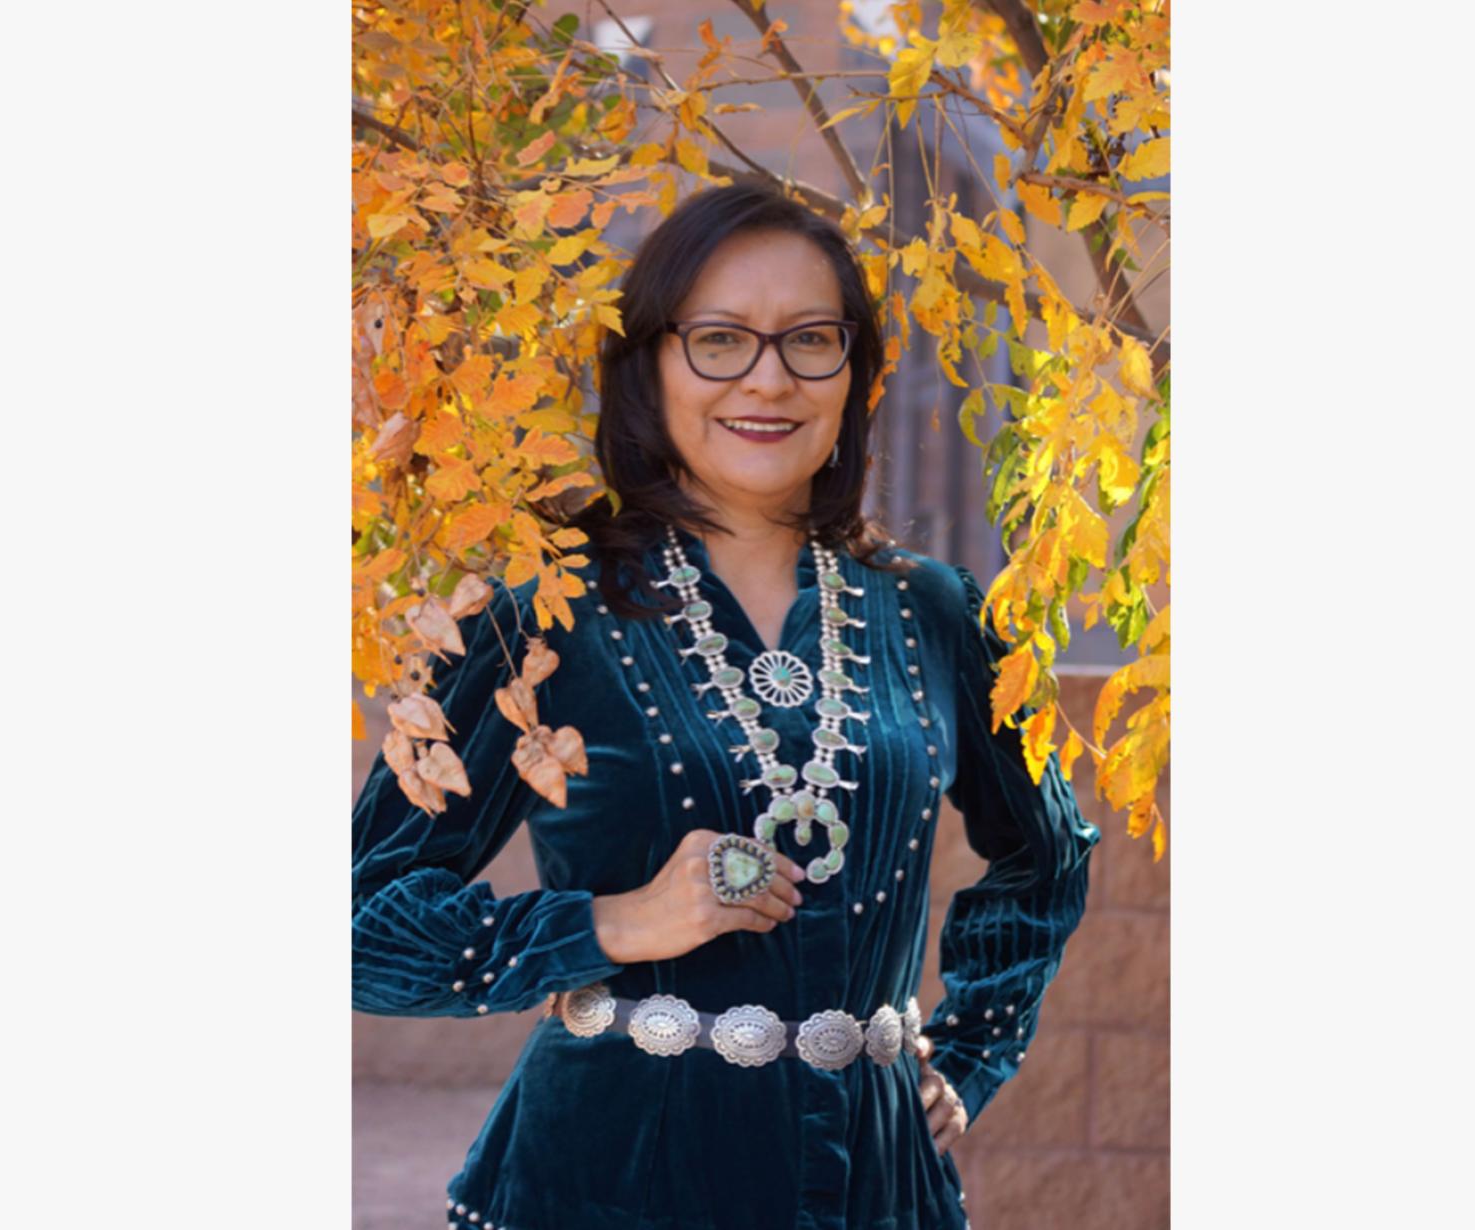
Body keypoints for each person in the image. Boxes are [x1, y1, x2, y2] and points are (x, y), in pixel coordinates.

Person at [352, 183, 1100, 1230]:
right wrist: (615, 923)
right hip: (608, 1184)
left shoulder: (933, 610)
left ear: (855, 372)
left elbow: (1045, 853)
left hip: (874, 1188)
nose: (768, 378)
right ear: (647, 365)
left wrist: (969, 1052)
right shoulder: (544, 614)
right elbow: (356, 922)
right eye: (718, 339)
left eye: (810, 340)